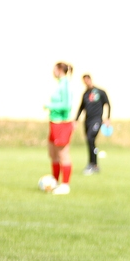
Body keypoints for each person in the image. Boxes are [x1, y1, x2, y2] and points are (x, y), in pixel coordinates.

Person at [45, 62, 75, 195]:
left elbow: (67, 105)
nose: (53, 72)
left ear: (59, 70)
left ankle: (65, 184)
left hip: (62, 124)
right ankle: (55, 181)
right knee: (53, 153)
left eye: (54, 69)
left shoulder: (65, 85)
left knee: (63, 154)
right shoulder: (60, 84)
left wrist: (50, 106)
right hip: (54, 123)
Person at [76, 74, 111, 175]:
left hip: (97, 120)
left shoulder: (100, 92)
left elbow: (108, 104)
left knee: (90, 138)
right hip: (87, 121)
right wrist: (76, 120)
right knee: (90, 142)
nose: (86, 82)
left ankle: (93, 165)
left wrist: (108, 118)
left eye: (87, 80)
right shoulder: (85, 94)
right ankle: (93, 164)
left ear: (90, 80)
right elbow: (81, 108)